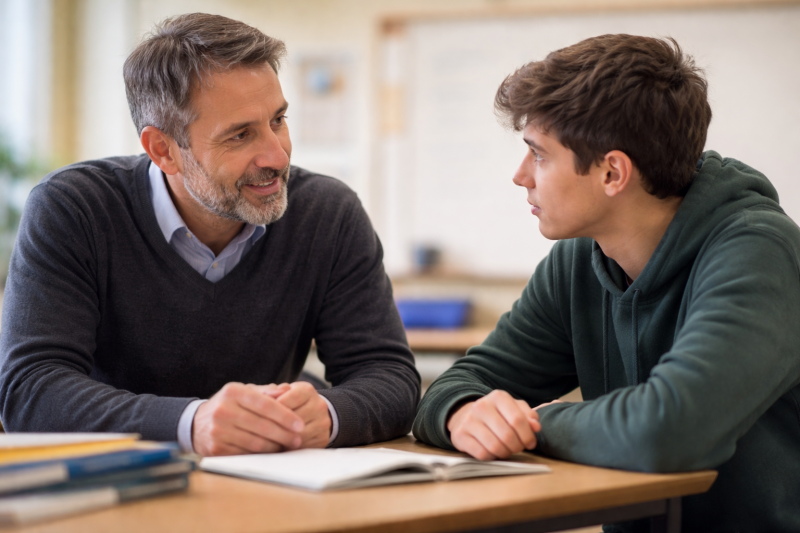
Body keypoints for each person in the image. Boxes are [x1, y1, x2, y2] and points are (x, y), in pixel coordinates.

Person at [413, 34, 800, 532]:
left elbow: (668, 432)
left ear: (613, 172)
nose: (520, 176)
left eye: (540, 155)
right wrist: (462, 412)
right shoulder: (578, 259)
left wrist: (533, 423)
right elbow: (454, 386)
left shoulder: (758, 251)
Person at [0, 13, 420, 457]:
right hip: (118, 488)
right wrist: (191, 423)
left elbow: (389, 376)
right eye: (241, 135)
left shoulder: (328, 213)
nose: (278, 156)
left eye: (278, 119)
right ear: (163, 150)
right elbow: (31, 391)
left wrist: (329, 415)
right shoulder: (75, 209)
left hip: (275, 488)